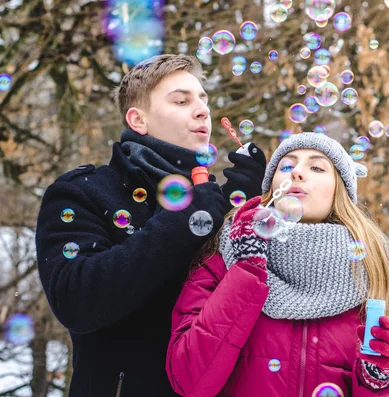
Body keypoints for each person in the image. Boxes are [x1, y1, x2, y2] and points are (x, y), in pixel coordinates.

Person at [35, 54, 266, 397]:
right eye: (181, 100)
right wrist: (187, 220)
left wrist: (242, 207)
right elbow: (77, 300)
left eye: (204, 100)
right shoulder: (82, 192)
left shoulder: (213, 205)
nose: (203, 111)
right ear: (137, 119)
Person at [167, 133, 389, 396]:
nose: (296, 172)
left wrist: (376, 382)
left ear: (341, 191)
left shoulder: (367, 267)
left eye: (316, 167)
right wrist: (247, 267)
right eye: (286, 166)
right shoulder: (224, 254)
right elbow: (189, 381)